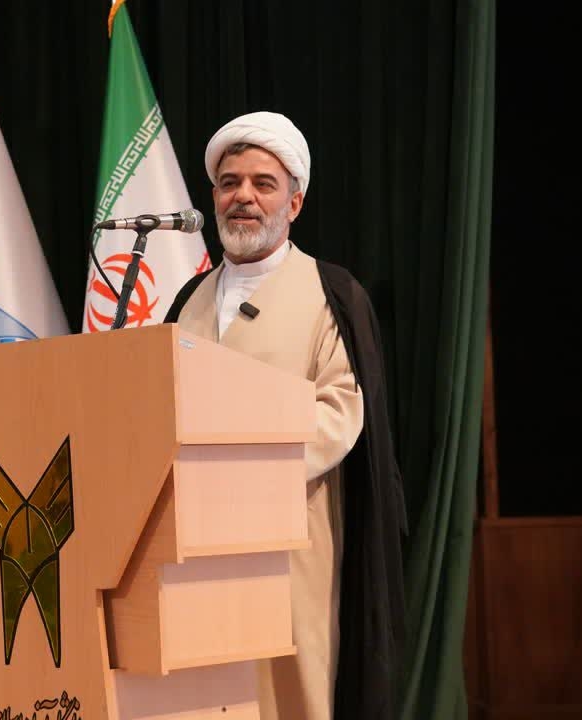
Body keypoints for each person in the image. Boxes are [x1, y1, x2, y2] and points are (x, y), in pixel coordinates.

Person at [164, 111, 407, 720]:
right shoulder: (187, 301)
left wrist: (240, 473)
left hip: (291, 540)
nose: (243, 196)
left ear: (294, 203)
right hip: (193, 546)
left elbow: (339, 411)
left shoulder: (332, 294)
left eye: (263, 184)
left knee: (293, 692)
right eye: (229, 183)